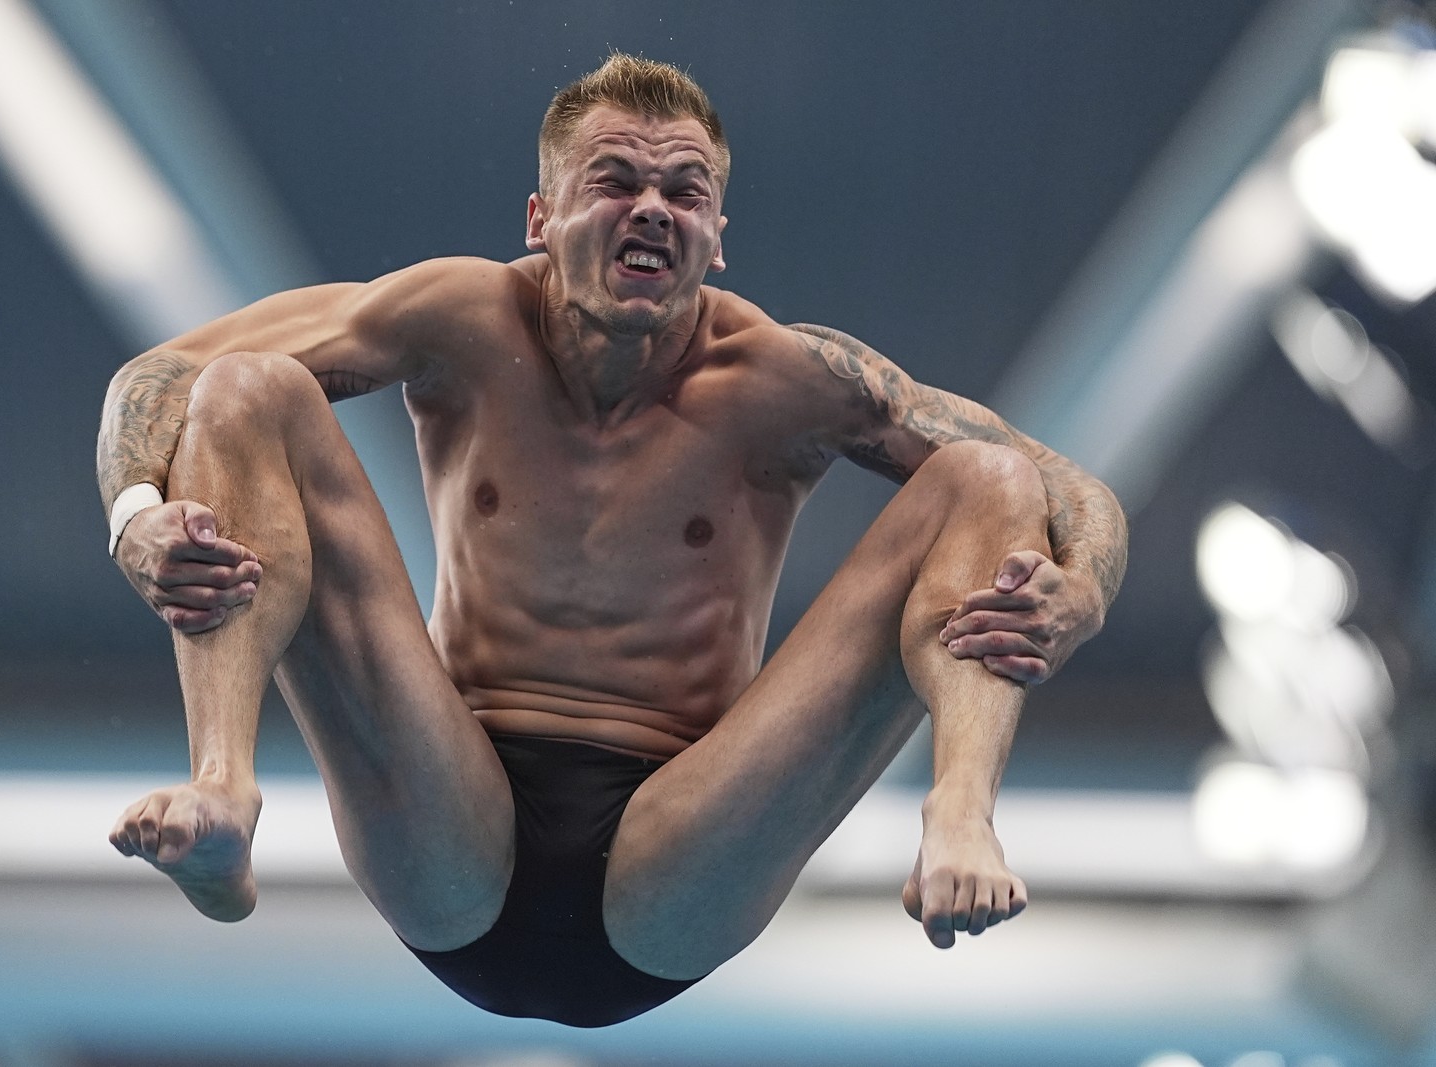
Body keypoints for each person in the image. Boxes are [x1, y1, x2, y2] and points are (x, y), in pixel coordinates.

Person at [99, 53, 1126, 1028]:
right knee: (244, 386)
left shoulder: (788, 380)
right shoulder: (461, 319)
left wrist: (1080, 594)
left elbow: (1070, 487)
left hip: (683, 853)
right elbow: (161, 372)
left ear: (716, 235)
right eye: (616, 180)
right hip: (450, 818)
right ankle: (222, 784)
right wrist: (135, 517)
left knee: (990, 478)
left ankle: (960, 808)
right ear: (541, 218)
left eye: (685, 191)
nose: (651, 207)